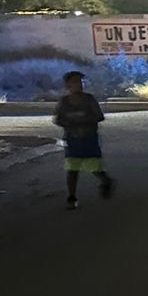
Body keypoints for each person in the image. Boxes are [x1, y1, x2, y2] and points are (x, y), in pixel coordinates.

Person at [54, 70, 114, 210]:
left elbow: (99, 116)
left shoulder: (89, 99)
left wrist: (83, 121)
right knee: (72, 169)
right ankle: (72, 197)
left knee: (95, 167)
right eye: (75, 82)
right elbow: (58, 119)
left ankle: (106, 181)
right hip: (72, 139)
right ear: (68, 85)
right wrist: (70, 123)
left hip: (88, 138)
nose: (79, 84)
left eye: (80, 81)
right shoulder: (64, 102)